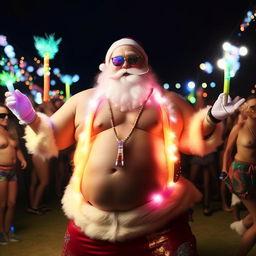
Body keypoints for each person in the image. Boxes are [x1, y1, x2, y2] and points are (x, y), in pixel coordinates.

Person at [5, 38, 244, 255]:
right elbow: (54, 137)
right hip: (90, 224)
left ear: (145, 65)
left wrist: (211, 117)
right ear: (106, 66)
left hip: (158, 224)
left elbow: (192, 137)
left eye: (133, 59)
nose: (125, 65)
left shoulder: (168, 101)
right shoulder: (84, 99)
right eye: (117, 60)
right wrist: (29, 116)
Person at [221, 95, 256, 256]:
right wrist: (223, 170)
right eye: (252, 107)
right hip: (242, 174)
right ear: (245, 109)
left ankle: (241, 225)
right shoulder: (239, 127)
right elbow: (227, 151)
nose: (255, 110)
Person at [0, 103, 27, 245]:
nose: (5, 118)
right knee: (2, 204)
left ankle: (9, 231)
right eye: (1, 115)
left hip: (12, 171)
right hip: (1, 172)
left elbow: (15, 148)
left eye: (7, 115)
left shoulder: (10, 131)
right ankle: (1, 232)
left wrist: (22, 159)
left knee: (12, 203)